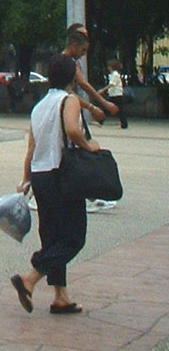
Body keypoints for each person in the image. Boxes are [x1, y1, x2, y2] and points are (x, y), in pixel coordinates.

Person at [11, 51, 97, 315]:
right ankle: (30, 278)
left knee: (53, 237)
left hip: (40, 176)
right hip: (62, 175)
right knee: (73, 238)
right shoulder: (69, 100)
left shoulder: (40, 106)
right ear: (72, 78)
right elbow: (72, 130)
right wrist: (88, 146)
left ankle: (61, 296)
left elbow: (31, 146)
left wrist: (26, 179)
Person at [64, 23, 119, 212]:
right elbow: (73, 90)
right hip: (67, 110)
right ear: (74, 42)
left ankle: (89, 193)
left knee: (79, 150)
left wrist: (98, 106)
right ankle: (88, 194)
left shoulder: (70, 61)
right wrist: (96, 106)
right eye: (83, 49)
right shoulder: (65, 62)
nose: (83, 53)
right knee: (83, 149)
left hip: (71, 109)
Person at [102, 62, 128, 129]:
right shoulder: (113, 74)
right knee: (116, 109)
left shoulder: (115, 74)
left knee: (115, 108)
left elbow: (112, 84)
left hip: (116, 94)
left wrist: (103, 90)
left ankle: (101, 119)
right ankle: (124, 123)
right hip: (114, 94)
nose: (108, 67)